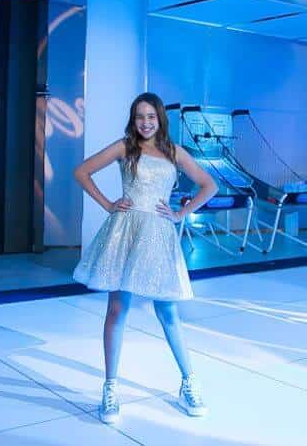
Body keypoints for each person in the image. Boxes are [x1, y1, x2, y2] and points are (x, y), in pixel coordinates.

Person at [73, 92, 218, 424]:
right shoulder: (125, 147)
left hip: (158, 234)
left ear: (160, 118)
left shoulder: (173, 151)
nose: (146, 122)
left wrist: (180, 214)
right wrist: (109, 204)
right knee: (117, 309)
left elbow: (209, 186)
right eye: (140, 116)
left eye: (151, 116)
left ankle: (188, 382)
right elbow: (82, 172)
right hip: (125, 232)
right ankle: (110, 387)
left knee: (167, 311)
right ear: (133, 119)